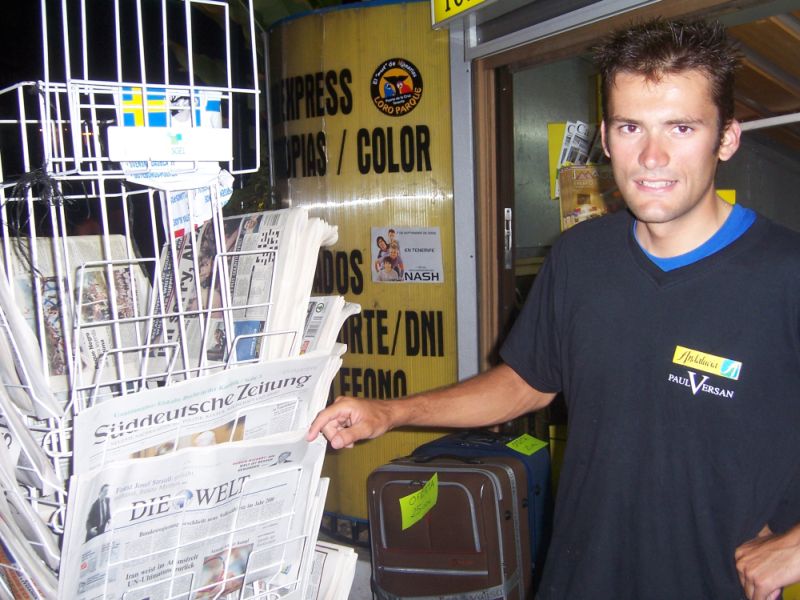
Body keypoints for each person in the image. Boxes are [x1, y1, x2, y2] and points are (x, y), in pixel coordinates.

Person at [308, 18, 800, 600]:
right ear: (605, 137)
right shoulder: (580, 257)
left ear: (727, 138)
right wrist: (390, 412)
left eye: (682, 127)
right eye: (631, 127)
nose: (652, 155)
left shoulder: (785, 275)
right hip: (579, 578)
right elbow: (526, 384)